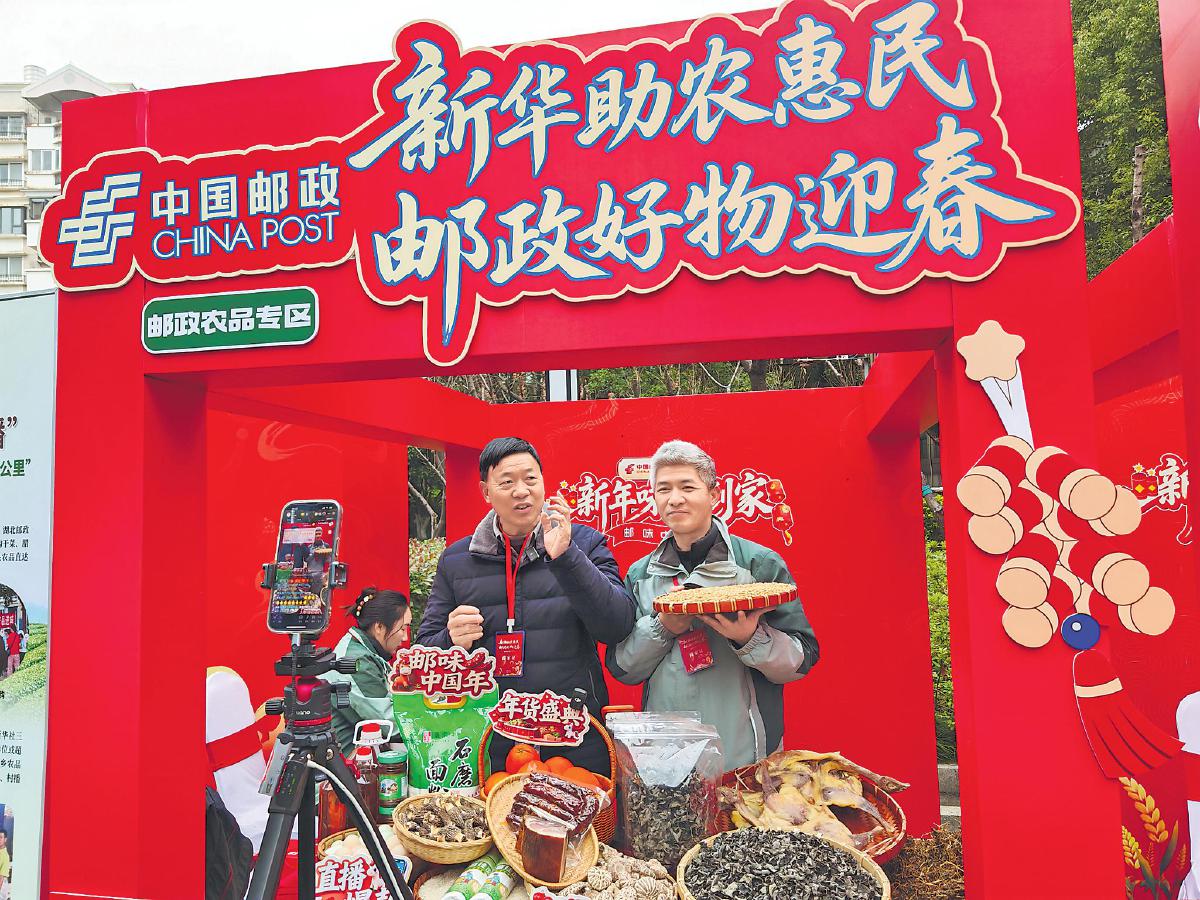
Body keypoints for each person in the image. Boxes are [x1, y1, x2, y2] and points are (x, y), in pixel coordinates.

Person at [417, 437, 636, 775]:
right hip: (491, 739)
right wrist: (451, 640)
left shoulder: (584, 543)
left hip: (573, 733)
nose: (521, 491)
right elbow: (425, 652)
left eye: (530, 479)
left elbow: (617, 626)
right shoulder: (457, 560)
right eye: (507, 482)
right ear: (486, 492)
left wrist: (568, 558)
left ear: (543, 483)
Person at [607, 440, 820, 770]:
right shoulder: (641, 574)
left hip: (745, 757)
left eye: (687, 487)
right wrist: (662, 628)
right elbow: (623, 668)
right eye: (663, 489)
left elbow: (801, 660)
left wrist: (749, 639)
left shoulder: (758, 564)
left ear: (714, 495)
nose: (674, 498)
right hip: (667, 759)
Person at [320, 587, 412, 755]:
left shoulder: (363, 651)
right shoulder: (357, 662)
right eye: (402, 628)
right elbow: (389, 724)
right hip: (346, 760)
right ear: (379, 627)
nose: (405, 637)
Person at [0, 829, 10, 900]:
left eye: (1, 837)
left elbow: (1, 878)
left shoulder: (5, 856)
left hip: (1, 886)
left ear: (5, 839)